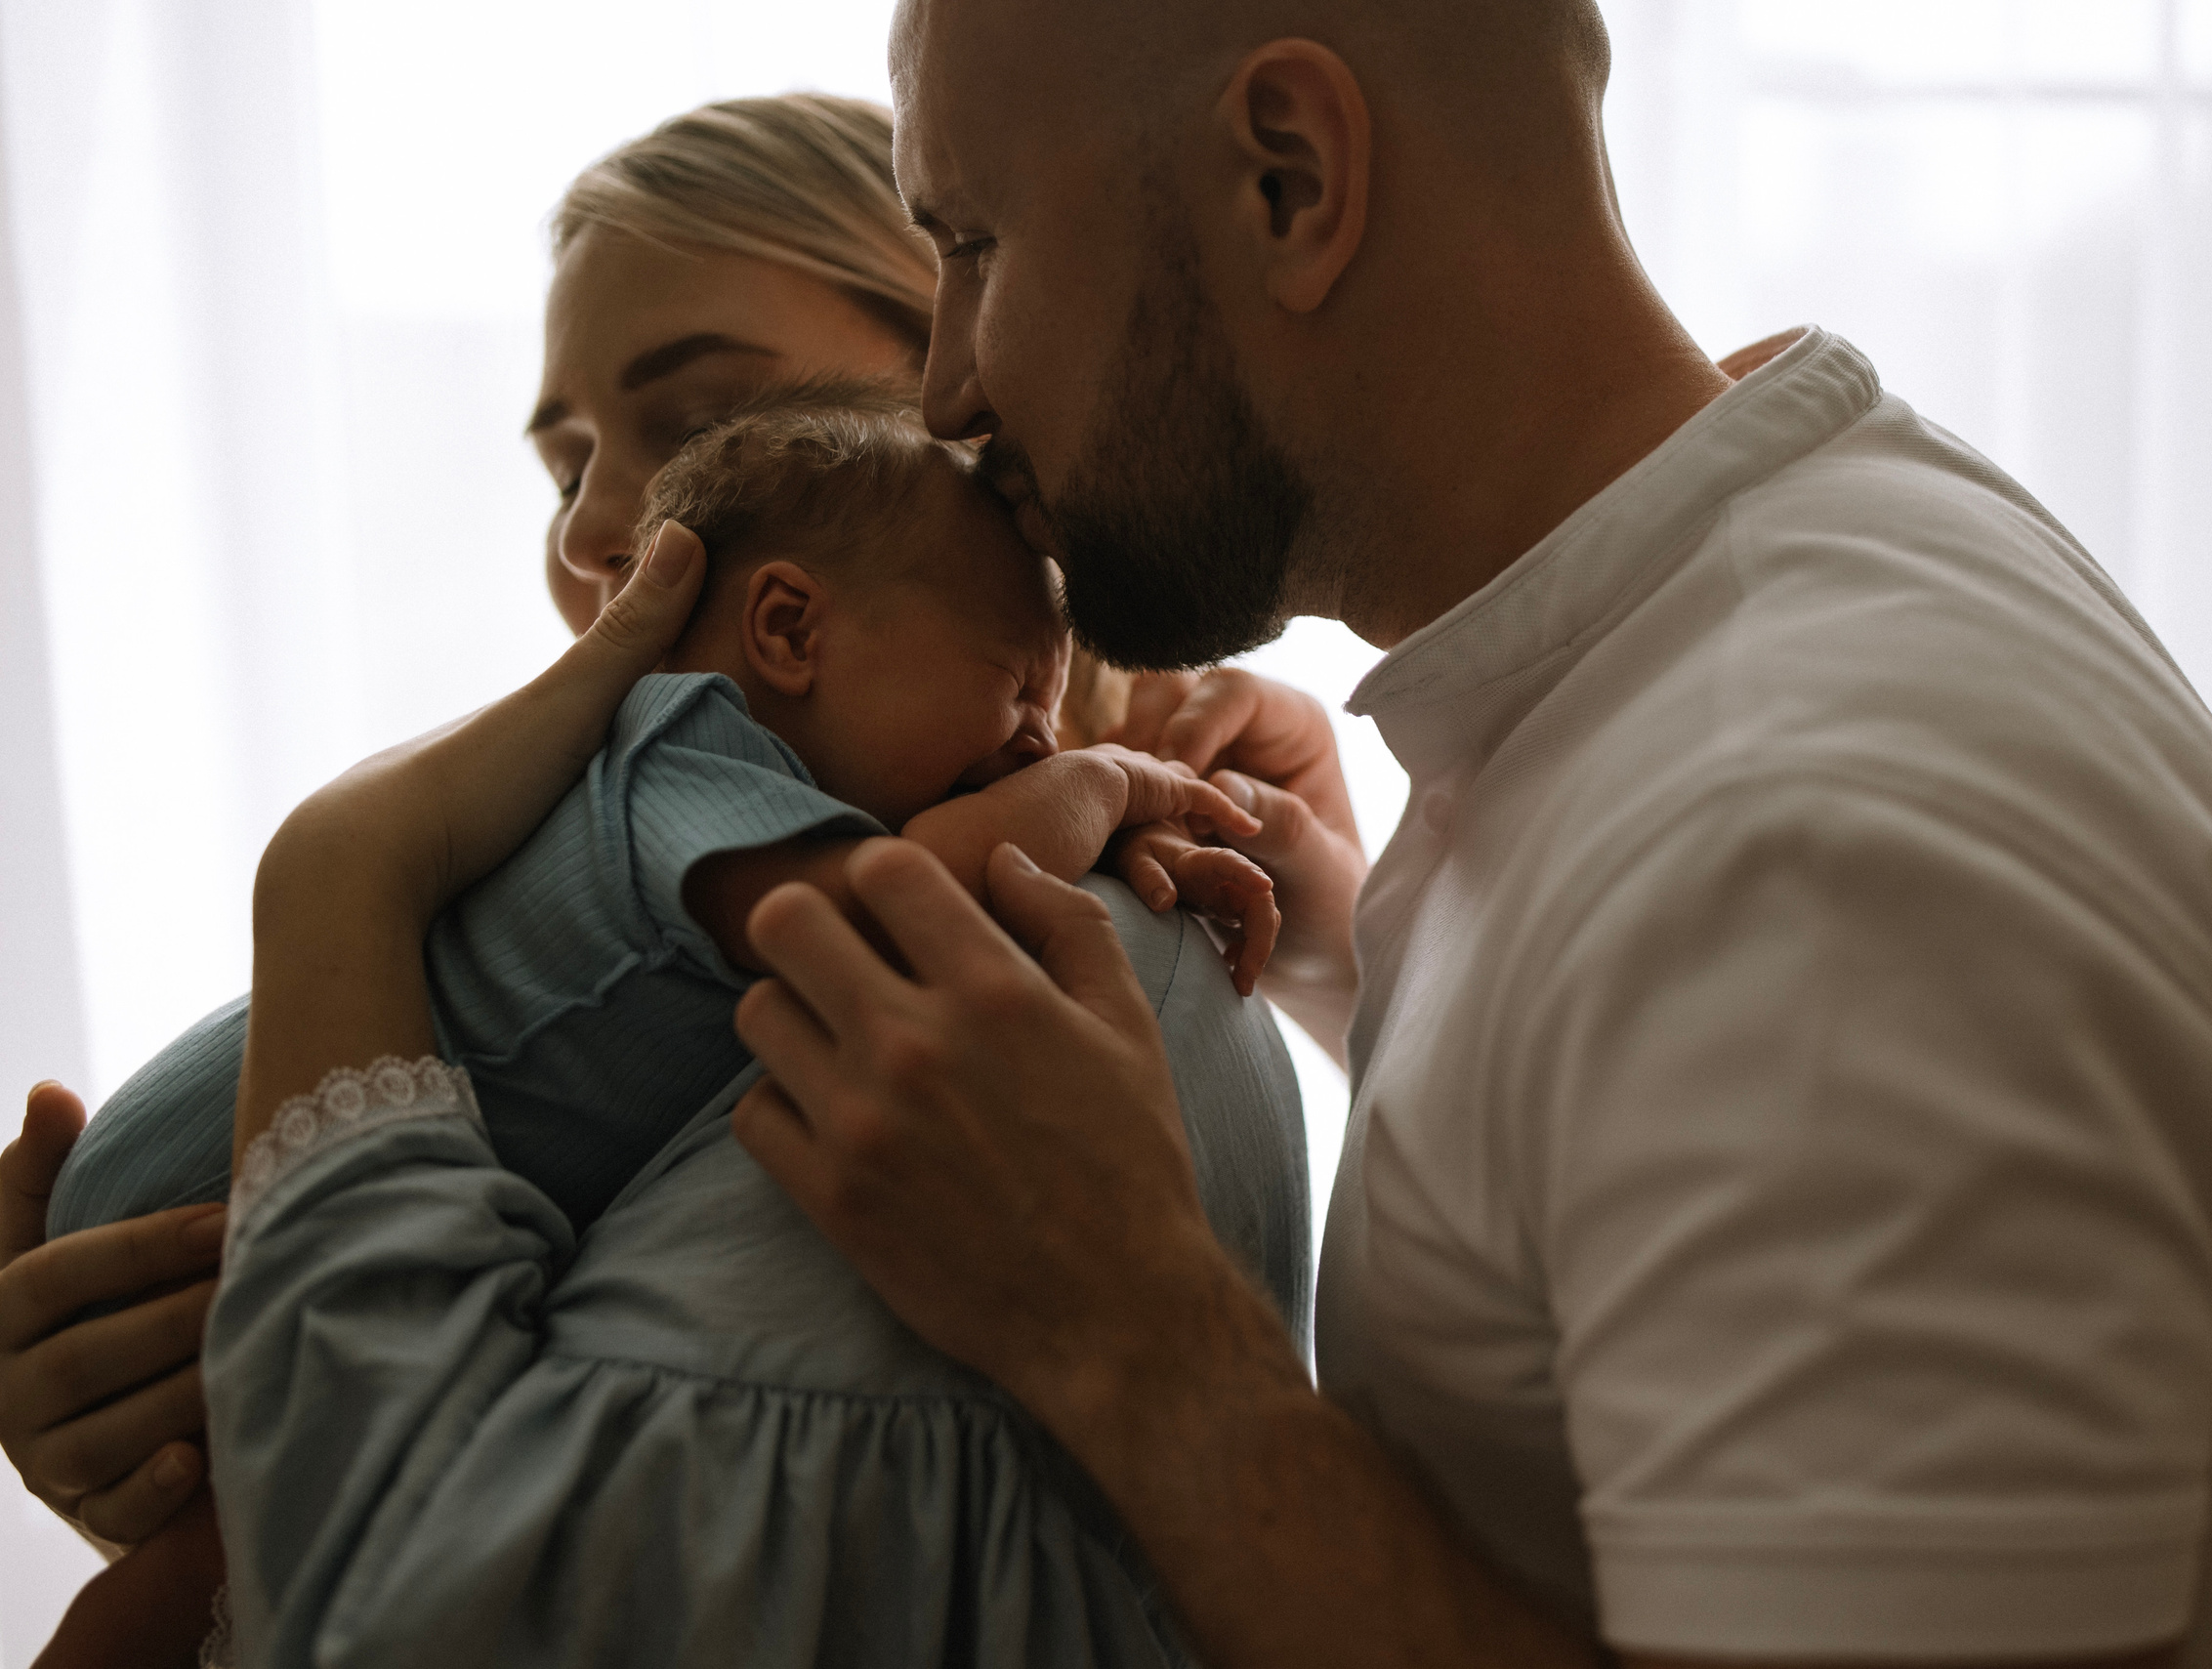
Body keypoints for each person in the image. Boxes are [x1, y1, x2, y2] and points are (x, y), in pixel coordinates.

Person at [686, 4, 2212, 1668]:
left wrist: (1132, 1334)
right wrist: (1366, 946)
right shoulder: (1779, 592)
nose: (950, 391)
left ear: (1290, 179)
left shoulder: (1812, 856)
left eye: (976, 242)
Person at [0, 93, 1312, 1661]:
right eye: (564, 465)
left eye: (697, 425)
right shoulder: (683, 807)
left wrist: (340, 877)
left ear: (978, 395)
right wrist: (178, 1462)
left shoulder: (1056, 980)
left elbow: (421, 1604)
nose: (596, 530)